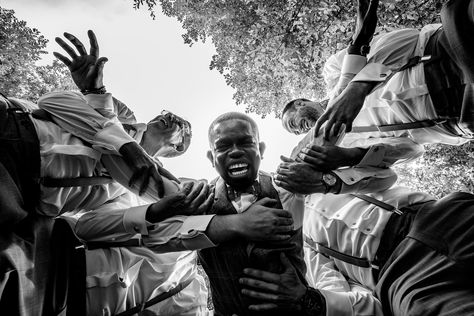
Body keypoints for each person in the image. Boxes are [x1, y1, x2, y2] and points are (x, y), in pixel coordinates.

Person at [198, 111, 398, 316]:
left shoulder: (286, 187)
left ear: (261, 149)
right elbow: (166, 236)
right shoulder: (197, 201)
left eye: (245, 143)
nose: (235, 152)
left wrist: (329, 180)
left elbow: (387, 176)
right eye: (223, 146)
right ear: (210, 157)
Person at [239, 152, 474, 316]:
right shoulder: (304, 254)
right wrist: (308, 299)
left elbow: (387, 174)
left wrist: (326, 181)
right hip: (401, 275)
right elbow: (354, 300)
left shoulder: (325, 171)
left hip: (437, 217)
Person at [282, 0, 474, 170]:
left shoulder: (333, 71)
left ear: (300, 103)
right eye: (297, 132)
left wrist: (356, 88)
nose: (299, 130)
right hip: (460, 116)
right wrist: (351, 157)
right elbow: (413, 149)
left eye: (292, 124)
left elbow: (403, 39)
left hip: (448, 49)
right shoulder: (346, 144)